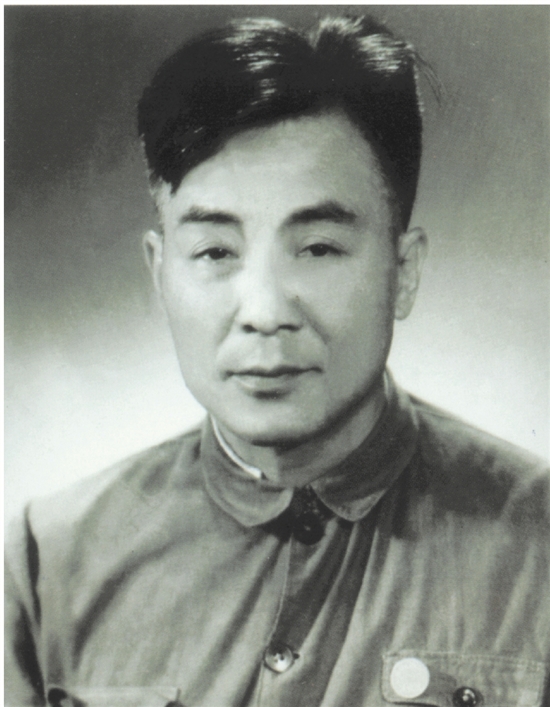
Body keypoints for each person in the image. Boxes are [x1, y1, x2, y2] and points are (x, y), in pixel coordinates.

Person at [5, 14, 549, 707]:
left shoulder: (537, 540)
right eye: (215, 251)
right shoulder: (49, 561)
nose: (263, 310)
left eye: (318, 247)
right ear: (160, 273)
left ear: (403, 271)